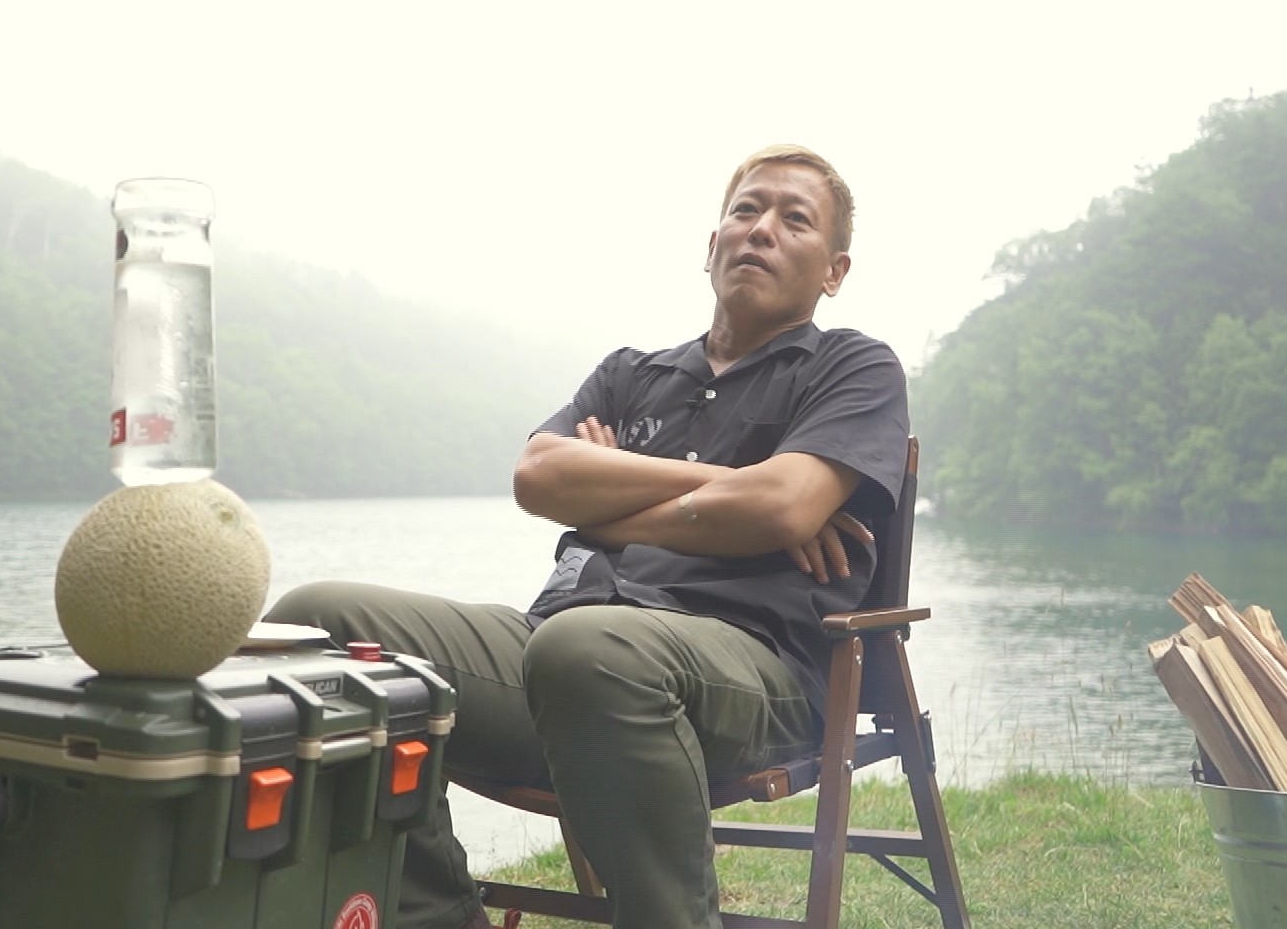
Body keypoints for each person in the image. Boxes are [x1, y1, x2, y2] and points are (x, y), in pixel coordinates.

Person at [267, 144, 909, 929]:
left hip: (751, 669)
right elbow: (539, 476)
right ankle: (439, 916)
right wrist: (728, 486)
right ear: (712, 245)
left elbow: (783, 507)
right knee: (315, 625)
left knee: (589, 649)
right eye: (746, 210)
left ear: (834, 272)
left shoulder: (853, 367)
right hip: (557, 647)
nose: (762, 229)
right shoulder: (630, 374)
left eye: (794, 219)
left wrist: (611, 495)